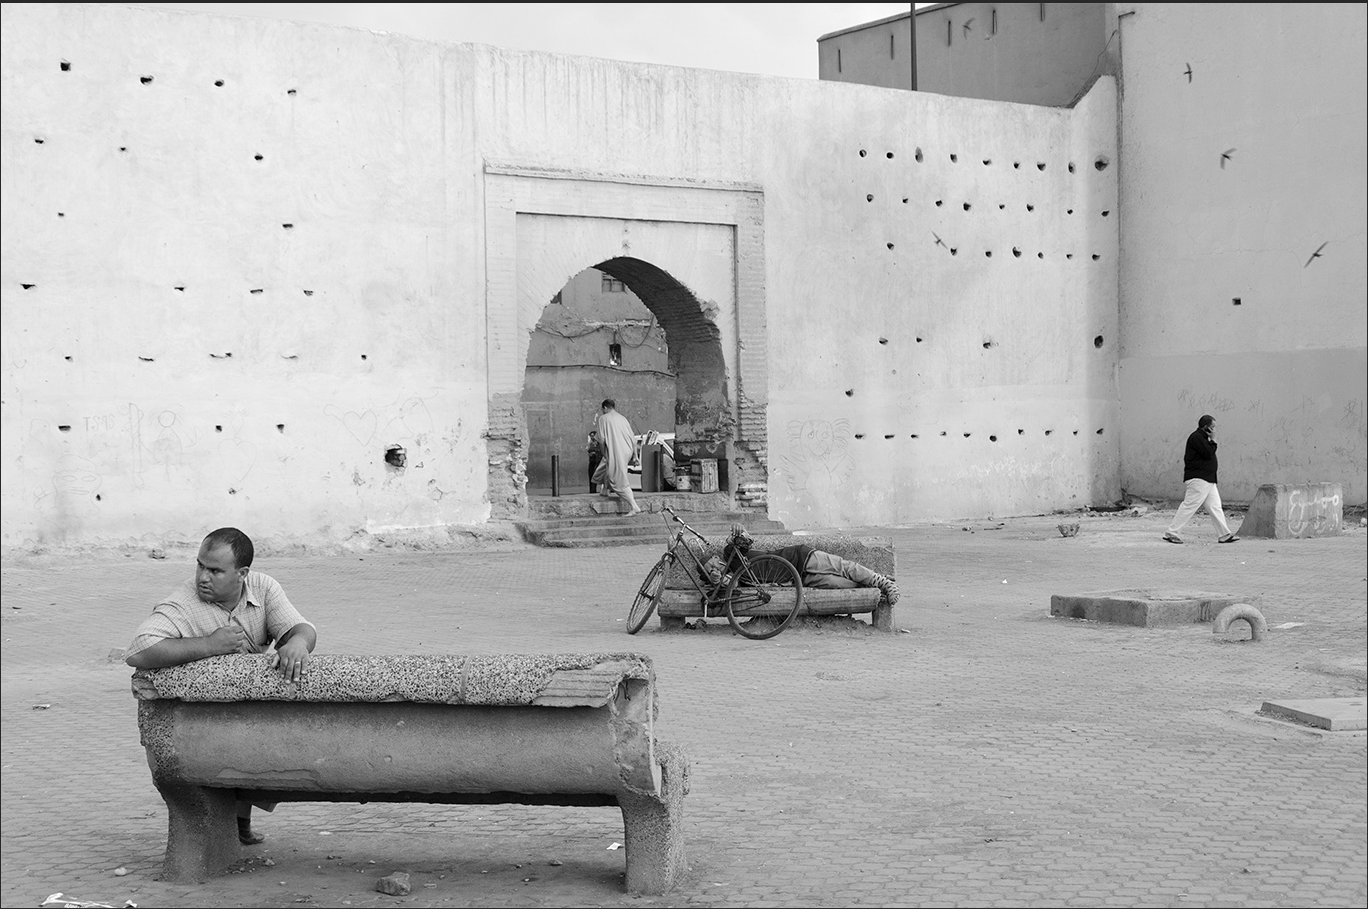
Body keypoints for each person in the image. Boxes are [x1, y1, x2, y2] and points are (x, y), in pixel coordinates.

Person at [125, 527, 318, 845]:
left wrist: (298, 643)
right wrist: (210, 645)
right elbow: (139, 651)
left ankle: (240, 819)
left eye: (215, 570)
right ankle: (224, 825)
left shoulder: (263, 588)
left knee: (271, 736)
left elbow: (300, 627)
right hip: (201, 718)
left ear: (242, 574)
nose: (203, 576)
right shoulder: (183, 603)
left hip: (250, 710)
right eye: (200, 565)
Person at [702, 525, 899, 605]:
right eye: (708, 571)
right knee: (840, 583)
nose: (712, 568)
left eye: (711, 564)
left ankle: (881, 581)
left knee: (843, 567)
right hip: (798, 579)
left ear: (715, 559)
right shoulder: (731, 577)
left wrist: (739, 530)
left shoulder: (731, 553)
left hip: (798, 557)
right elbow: (731, 587)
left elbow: (744, 541)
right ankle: (873, 585)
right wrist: (716, 581)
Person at [1163, 414, 1239, 544]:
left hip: (1208, 479)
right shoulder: (1197, 437)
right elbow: (1208, 453)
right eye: (1213, 427)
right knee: (1190, 505)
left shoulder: (1203, 438)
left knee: (1215, 506)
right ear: (1206, 427)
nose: (1215, 430)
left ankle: (1224, 534)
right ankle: (1172, 532)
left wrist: (1211, 440)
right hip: (1199, 479)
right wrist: (1214, 440)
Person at [591, 398, 642, 516]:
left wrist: (604, 453)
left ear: (604, 408)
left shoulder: (603, 419)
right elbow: (633, 440)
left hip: (617, 450)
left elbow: (602, 440)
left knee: (619, 480)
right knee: (606, 465)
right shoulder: (622, 418)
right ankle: (605, 490)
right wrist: (635, 456)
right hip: (627, 449)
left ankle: (634, 506)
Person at [586, 428, 603, 494]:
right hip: (592, 461)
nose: (592, 437)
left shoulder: (600, 443)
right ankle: (592, 490)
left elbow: (602, 451)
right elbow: (588, 450)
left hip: (598, 461)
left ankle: (603, 489)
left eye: (593, 436)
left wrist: (595, 452)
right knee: (591, 476)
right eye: (591, 436)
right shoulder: (591, 443)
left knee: (599, 476)